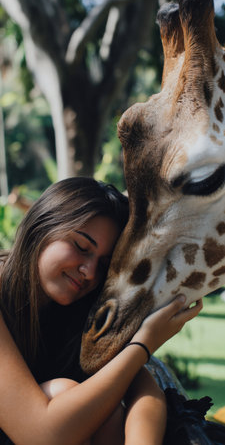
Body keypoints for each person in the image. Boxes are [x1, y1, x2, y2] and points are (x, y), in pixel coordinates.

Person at [0, 176, 203, 445]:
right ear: (41, 226)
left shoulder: (79, 310)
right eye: (81, 247)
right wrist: (143, 345)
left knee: (102, 407)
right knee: (66, 394)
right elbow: (42, 434)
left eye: (104, 264)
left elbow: (144, 392)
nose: (89, 272)